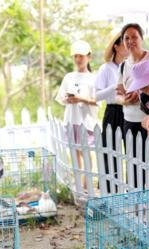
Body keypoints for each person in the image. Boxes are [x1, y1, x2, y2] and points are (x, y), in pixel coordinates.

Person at [116, 23, 149, 188]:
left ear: (142, 38)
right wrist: (125, 100)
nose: (130, 41)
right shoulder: (123, 65)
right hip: (129, 119)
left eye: (134, 37)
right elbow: (118, 94)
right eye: (126, 38)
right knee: (132, 161)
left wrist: (141, 95)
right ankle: (135, 194)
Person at [55, 40, 98, 191]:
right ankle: (79, 185)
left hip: (86, 121)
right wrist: (69, 98)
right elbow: (60, 98)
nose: (78, 59)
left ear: (89, 57)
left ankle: (87, 187)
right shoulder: (69, 77)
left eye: (81, 56)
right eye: (76, 56)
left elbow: (97, 101)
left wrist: (80, 99)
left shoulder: (94, 78)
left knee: (86, 154)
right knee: (75, 154)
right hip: (71, 119)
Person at [95, 32, 128, 193]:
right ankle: (110, 190)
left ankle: (131, 189)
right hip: (113, 111)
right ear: (116, 46)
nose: (128, 45)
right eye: (124, 42)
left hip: (130, 111)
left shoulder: (132, 66)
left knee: (132, 152)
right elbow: (96, 95)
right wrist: (114, 86)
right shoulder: (106, 68)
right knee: (111, 152)